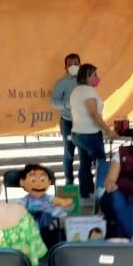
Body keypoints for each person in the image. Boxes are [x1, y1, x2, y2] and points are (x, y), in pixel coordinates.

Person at [69, 63, 119, 202]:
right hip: (90, 134)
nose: (97, 77)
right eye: (94, 75)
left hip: (78, 133)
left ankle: (86, 194)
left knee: (85, 164)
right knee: (100, 164)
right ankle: (102, 194)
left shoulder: (76, 91)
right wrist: (108, 130)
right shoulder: (88, 91)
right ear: (87, 76)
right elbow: (94, 114)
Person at [50, 52, 81, 186]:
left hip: (84, 123)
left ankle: (85, 182)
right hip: (68, 122)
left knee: (85, 154)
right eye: (70, 64)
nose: (73, 66)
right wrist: (67, 104)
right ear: (65, 67)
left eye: (76, 64)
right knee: (69, 153)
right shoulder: (61, 83)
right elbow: (53, 102)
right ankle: (69, 182)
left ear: (80, 65)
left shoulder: (86, 80)